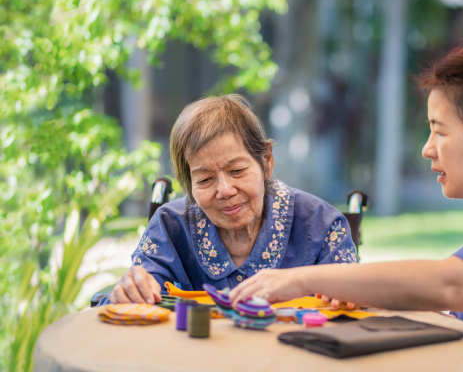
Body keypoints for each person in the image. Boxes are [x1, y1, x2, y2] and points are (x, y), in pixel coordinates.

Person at [230, 43, 463, 372]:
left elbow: (449, 285)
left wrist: (301, 278)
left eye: (440, 131)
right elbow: (459, 319)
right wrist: (362, 292)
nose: (428, 149)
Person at [100, 94, 358, 306]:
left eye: (237, 171)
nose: (224, 190)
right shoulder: (170, 227)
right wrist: (129, 291)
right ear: (188, 185)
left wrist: (347, 295)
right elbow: (131, 300)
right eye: (205, 180)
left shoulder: (321, 225)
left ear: (266, 162)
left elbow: (355, 303)